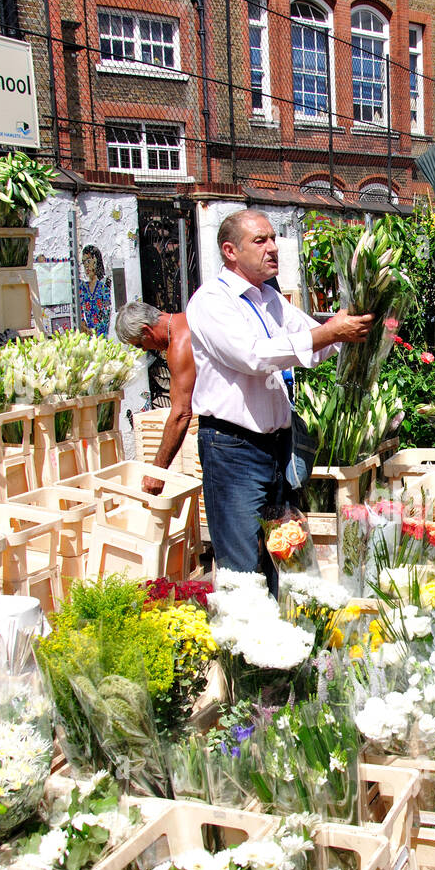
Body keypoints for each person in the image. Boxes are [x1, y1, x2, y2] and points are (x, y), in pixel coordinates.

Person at [186, 209, 374, 591]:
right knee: (242, 561)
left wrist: (351, 326)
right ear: (230, 251)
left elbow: (313, 344)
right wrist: (327, 334)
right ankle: (243, 646)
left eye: (273, 238)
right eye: (260, 241)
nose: (273, 248)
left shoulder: (270, 299)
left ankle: (278, 643)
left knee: (280, 553)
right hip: (232, 447)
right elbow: (254, 356)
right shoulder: (211, 301)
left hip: (274, 447)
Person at [115, 302, 195, 496]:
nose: (143, 350)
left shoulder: (179, 345)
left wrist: (157, 472)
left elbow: (181, 414)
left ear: (146, 330)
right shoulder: (189, 317)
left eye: (140, 344)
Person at [79, 245, 112, 337]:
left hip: (103, 336)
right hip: (87, 336)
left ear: (96, 260)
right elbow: (79, 310)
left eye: (88, 261)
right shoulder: (83, 287)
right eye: (83, 262)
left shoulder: (105, 285)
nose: (86, 266)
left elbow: (107, 312)